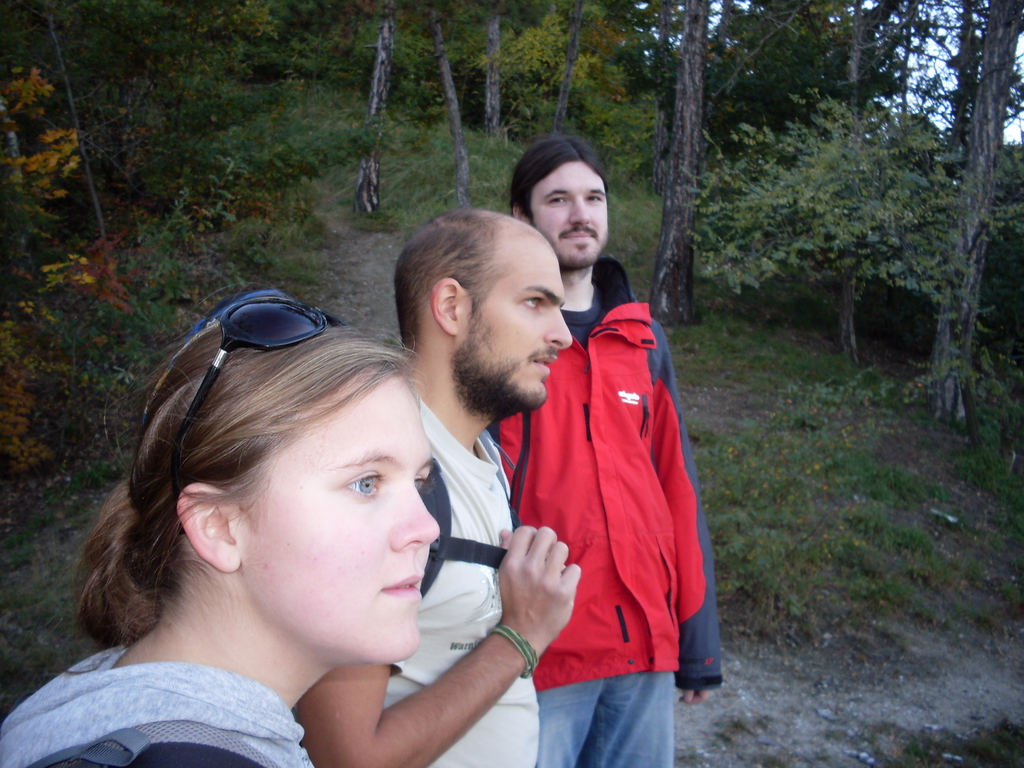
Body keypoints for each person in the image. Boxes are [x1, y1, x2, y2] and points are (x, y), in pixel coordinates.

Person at [0, 291, 440, 768]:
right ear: (219, 527)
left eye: (419, 482)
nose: (427, 527)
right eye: (366, 483)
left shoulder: (91, 703)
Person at [298, 209, 581, 768]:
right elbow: (347, 758)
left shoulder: (481, 457)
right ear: (451, 307)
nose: (563, 336)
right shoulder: (381, 478)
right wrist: (522, 636)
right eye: (535, 302)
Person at [494, 134, 723, 768]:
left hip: (644, 643)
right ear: (521, 215)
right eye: (558, 199)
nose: (580, 214)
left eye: (593, 198)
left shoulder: (642, 340)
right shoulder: (498, 336)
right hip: (539, 645)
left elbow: (678, 487)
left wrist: (697, 641)